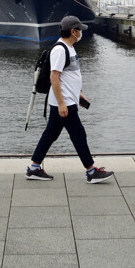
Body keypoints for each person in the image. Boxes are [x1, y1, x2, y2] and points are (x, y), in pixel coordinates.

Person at [26, 15, 114, 184]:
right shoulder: (60, 49)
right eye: (79, 30)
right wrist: (61, 103)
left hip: (67, 100)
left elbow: (69, 75)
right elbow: (54, 76)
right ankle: (91, 171)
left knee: (50, 134)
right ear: (73, 32)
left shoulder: (69, 47)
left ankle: (34, 168)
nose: (81, 33)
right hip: (64, 103)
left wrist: (77, 93)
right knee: (79, 135)